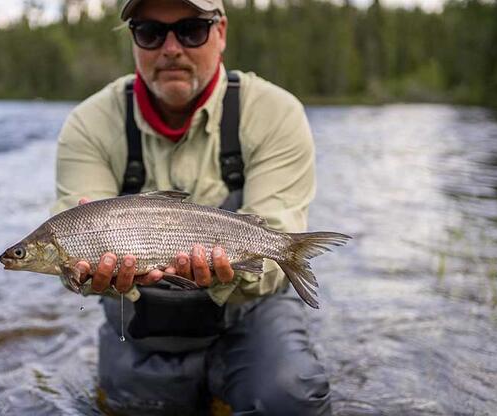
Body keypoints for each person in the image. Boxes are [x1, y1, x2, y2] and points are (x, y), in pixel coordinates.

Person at [51, 1, 330, 414]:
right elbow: (72, 264)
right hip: (141, 323)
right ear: (133, 40)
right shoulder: (88, 124)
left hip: (249, 316)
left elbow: (270, 261)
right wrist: (86, 276)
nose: (170, 48)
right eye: (149, 31)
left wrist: (229, 273)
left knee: (290, 397)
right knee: (134, 408)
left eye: (191, 30)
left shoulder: (275, 113)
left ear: (221, 33)